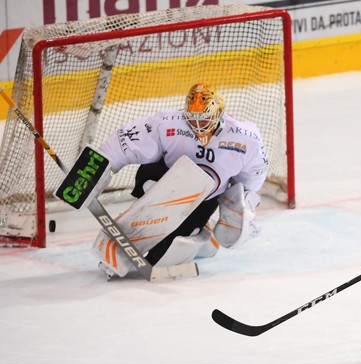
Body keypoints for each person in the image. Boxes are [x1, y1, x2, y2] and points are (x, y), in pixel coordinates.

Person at [93, 82, 268, 277]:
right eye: (193, 119)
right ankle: (142, 220)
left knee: (161, 260)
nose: (198, 125)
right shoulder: (168, 123)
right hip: (161, 180)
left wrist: (243, 208)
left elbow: (253, 176)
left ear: (218, 114)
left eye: (204, 119)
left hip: (203, 200)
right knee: (155, 190)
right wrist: (97, 168)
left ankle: (200, 232)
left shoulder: (245, 138)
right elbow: (123, 143)